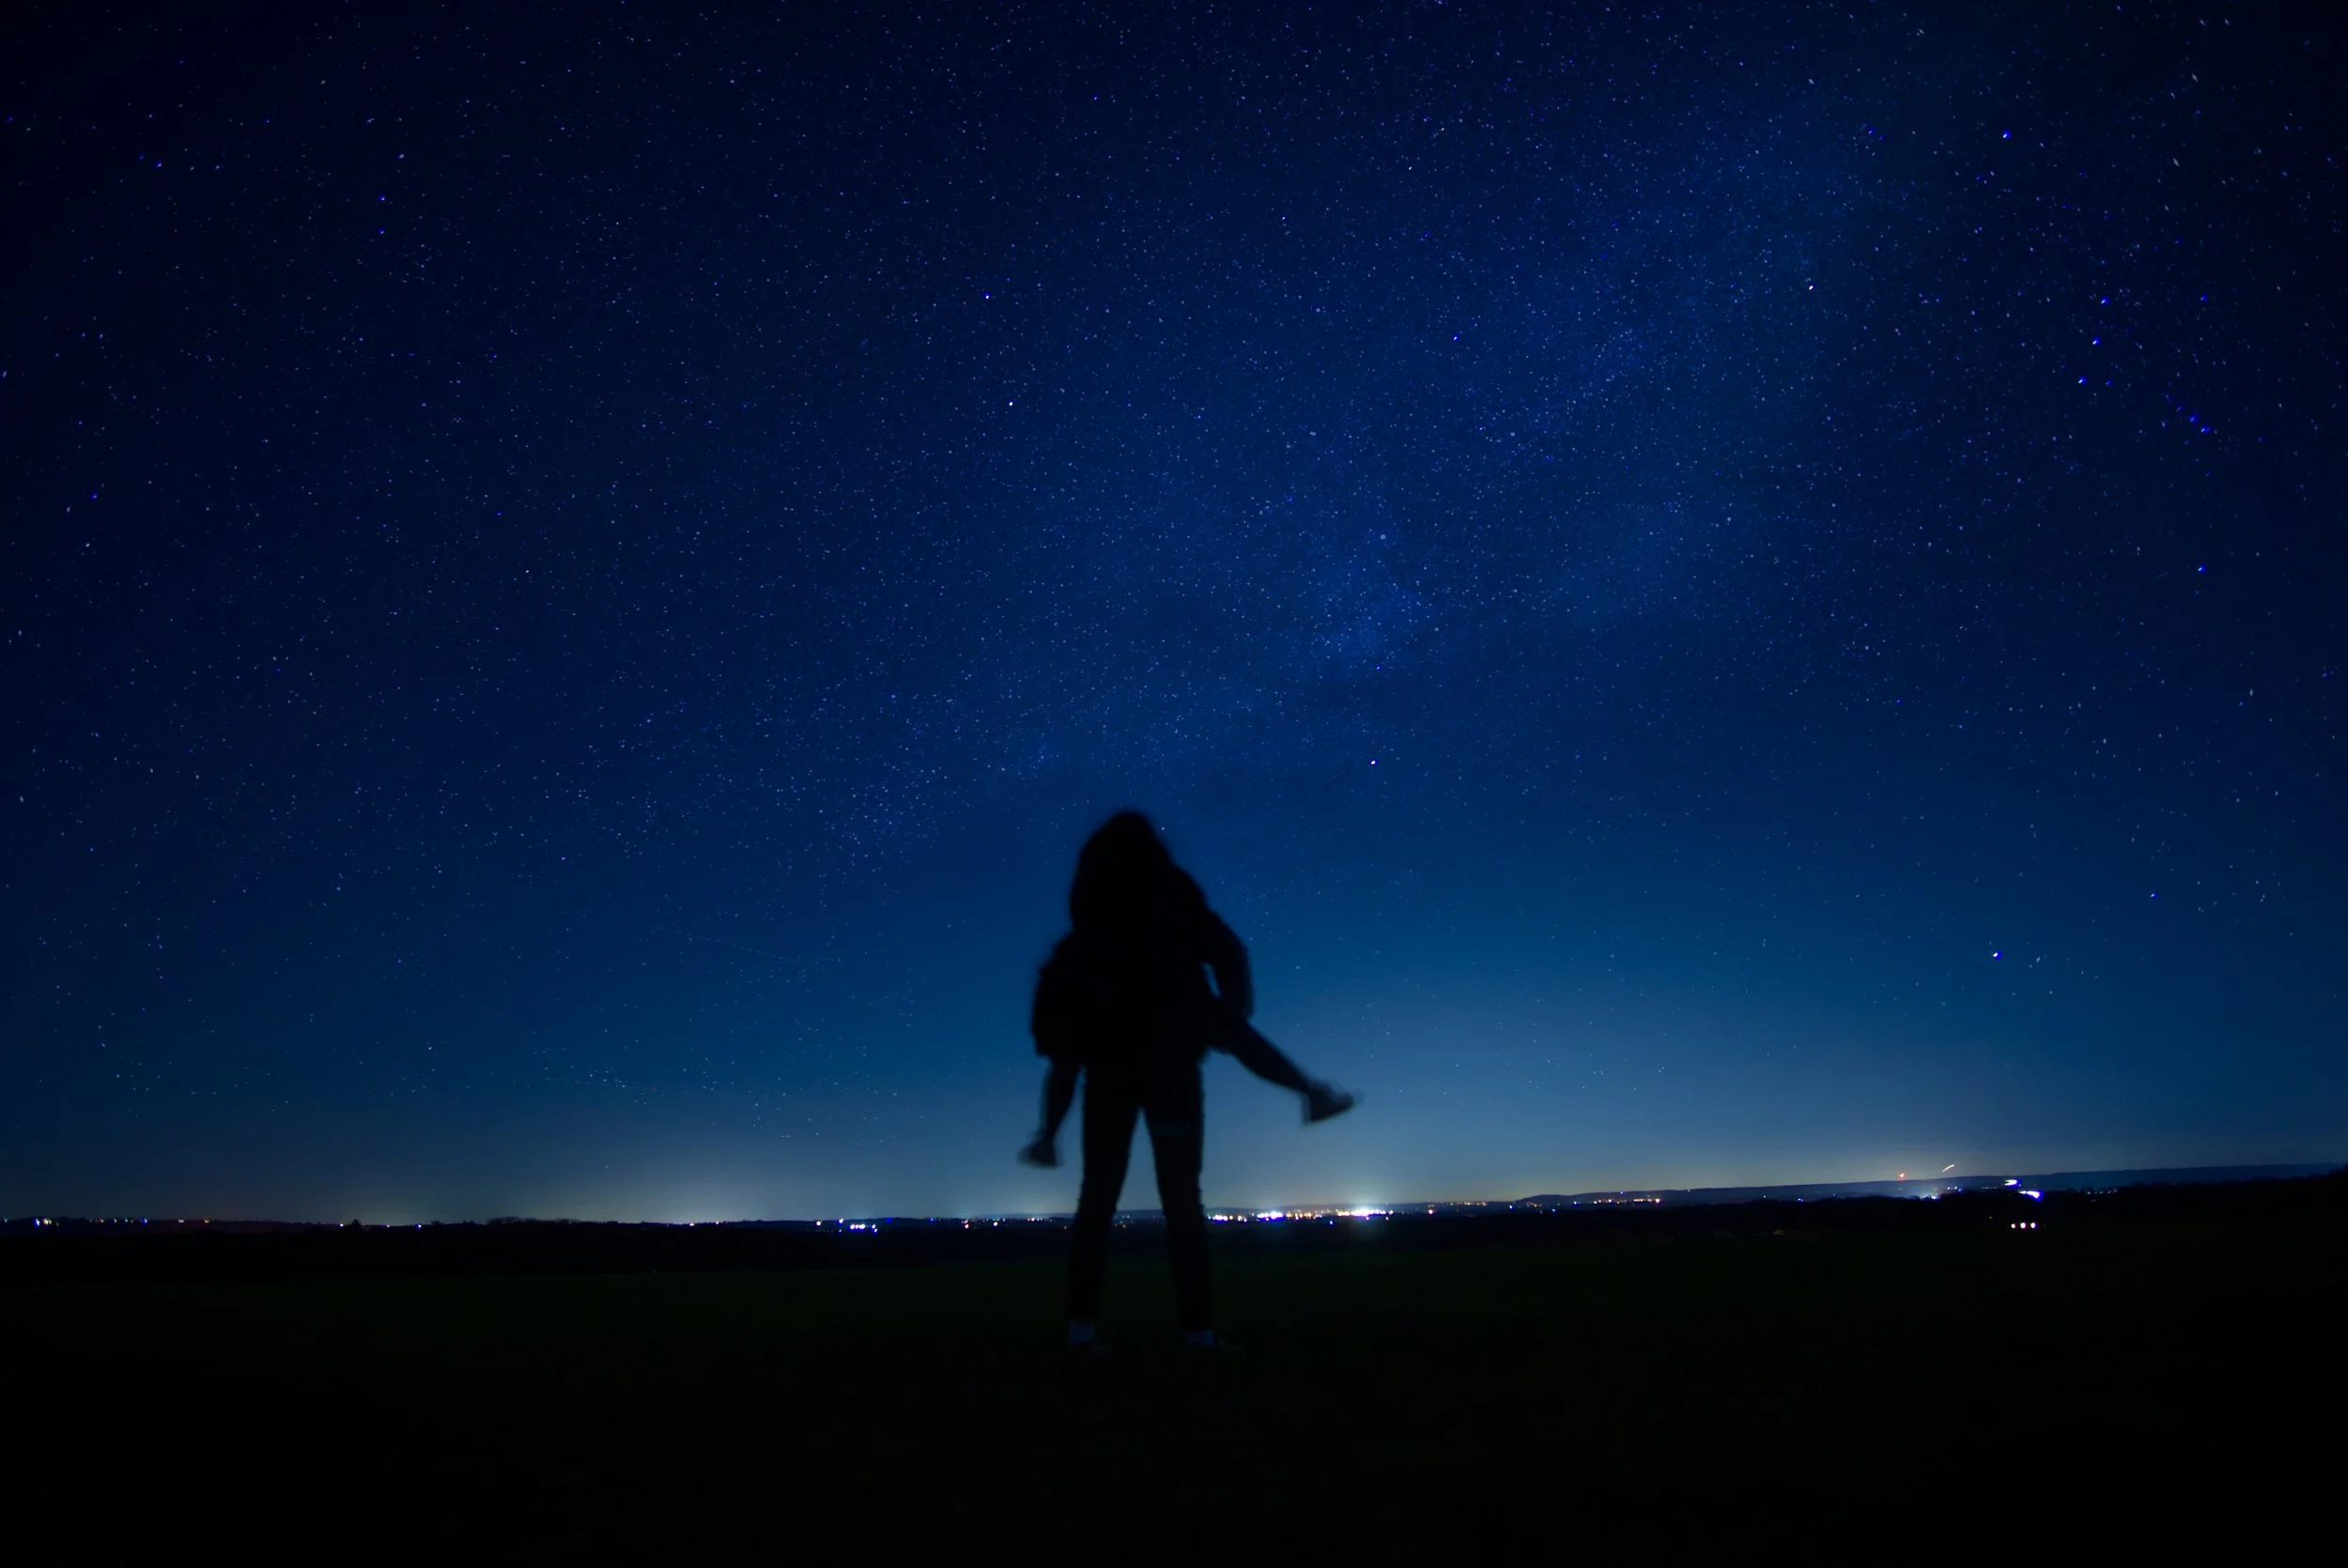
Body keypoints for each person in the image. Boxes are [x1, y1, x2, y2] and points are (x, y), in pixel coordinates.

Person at [1019, 811, 1354, 1349]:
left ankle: (1081, 1333)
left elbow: (1062, 1059)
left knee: (1096, 1201)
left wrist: (1047, 1133)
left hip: (1110, 1080)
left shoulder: (1080, 949)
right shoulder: (1177, 918)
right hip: (1172, 1073)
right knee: (1181, 1202)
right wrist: (1228, 1016)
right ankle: (1197, 1334)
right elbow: (1230, 955)